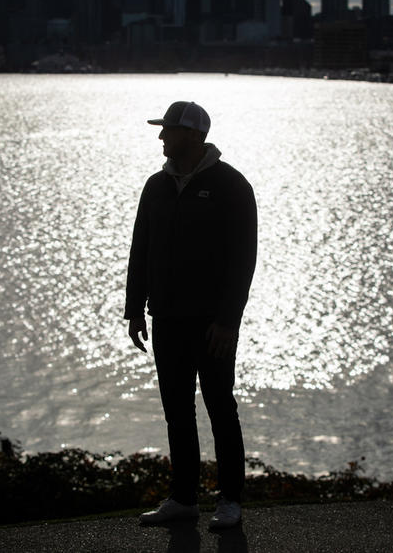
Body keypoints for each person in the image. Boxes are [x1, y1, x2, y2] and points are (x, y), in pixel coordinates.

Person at [124, 101, 257, 529]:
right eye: (162, 130)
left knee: (221, 407)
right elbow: (140, 249)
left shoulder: (231, 185)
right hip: (166, 317)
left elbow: (243, 259)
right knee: (177, 410)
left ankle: (230, 500)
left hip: (212, 323)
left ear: (193, 135)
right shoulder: (155, 186)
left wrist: (228, 320)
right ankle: (183, 498)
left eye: (169, 130)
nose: (161, 137)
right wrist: (134, 309)